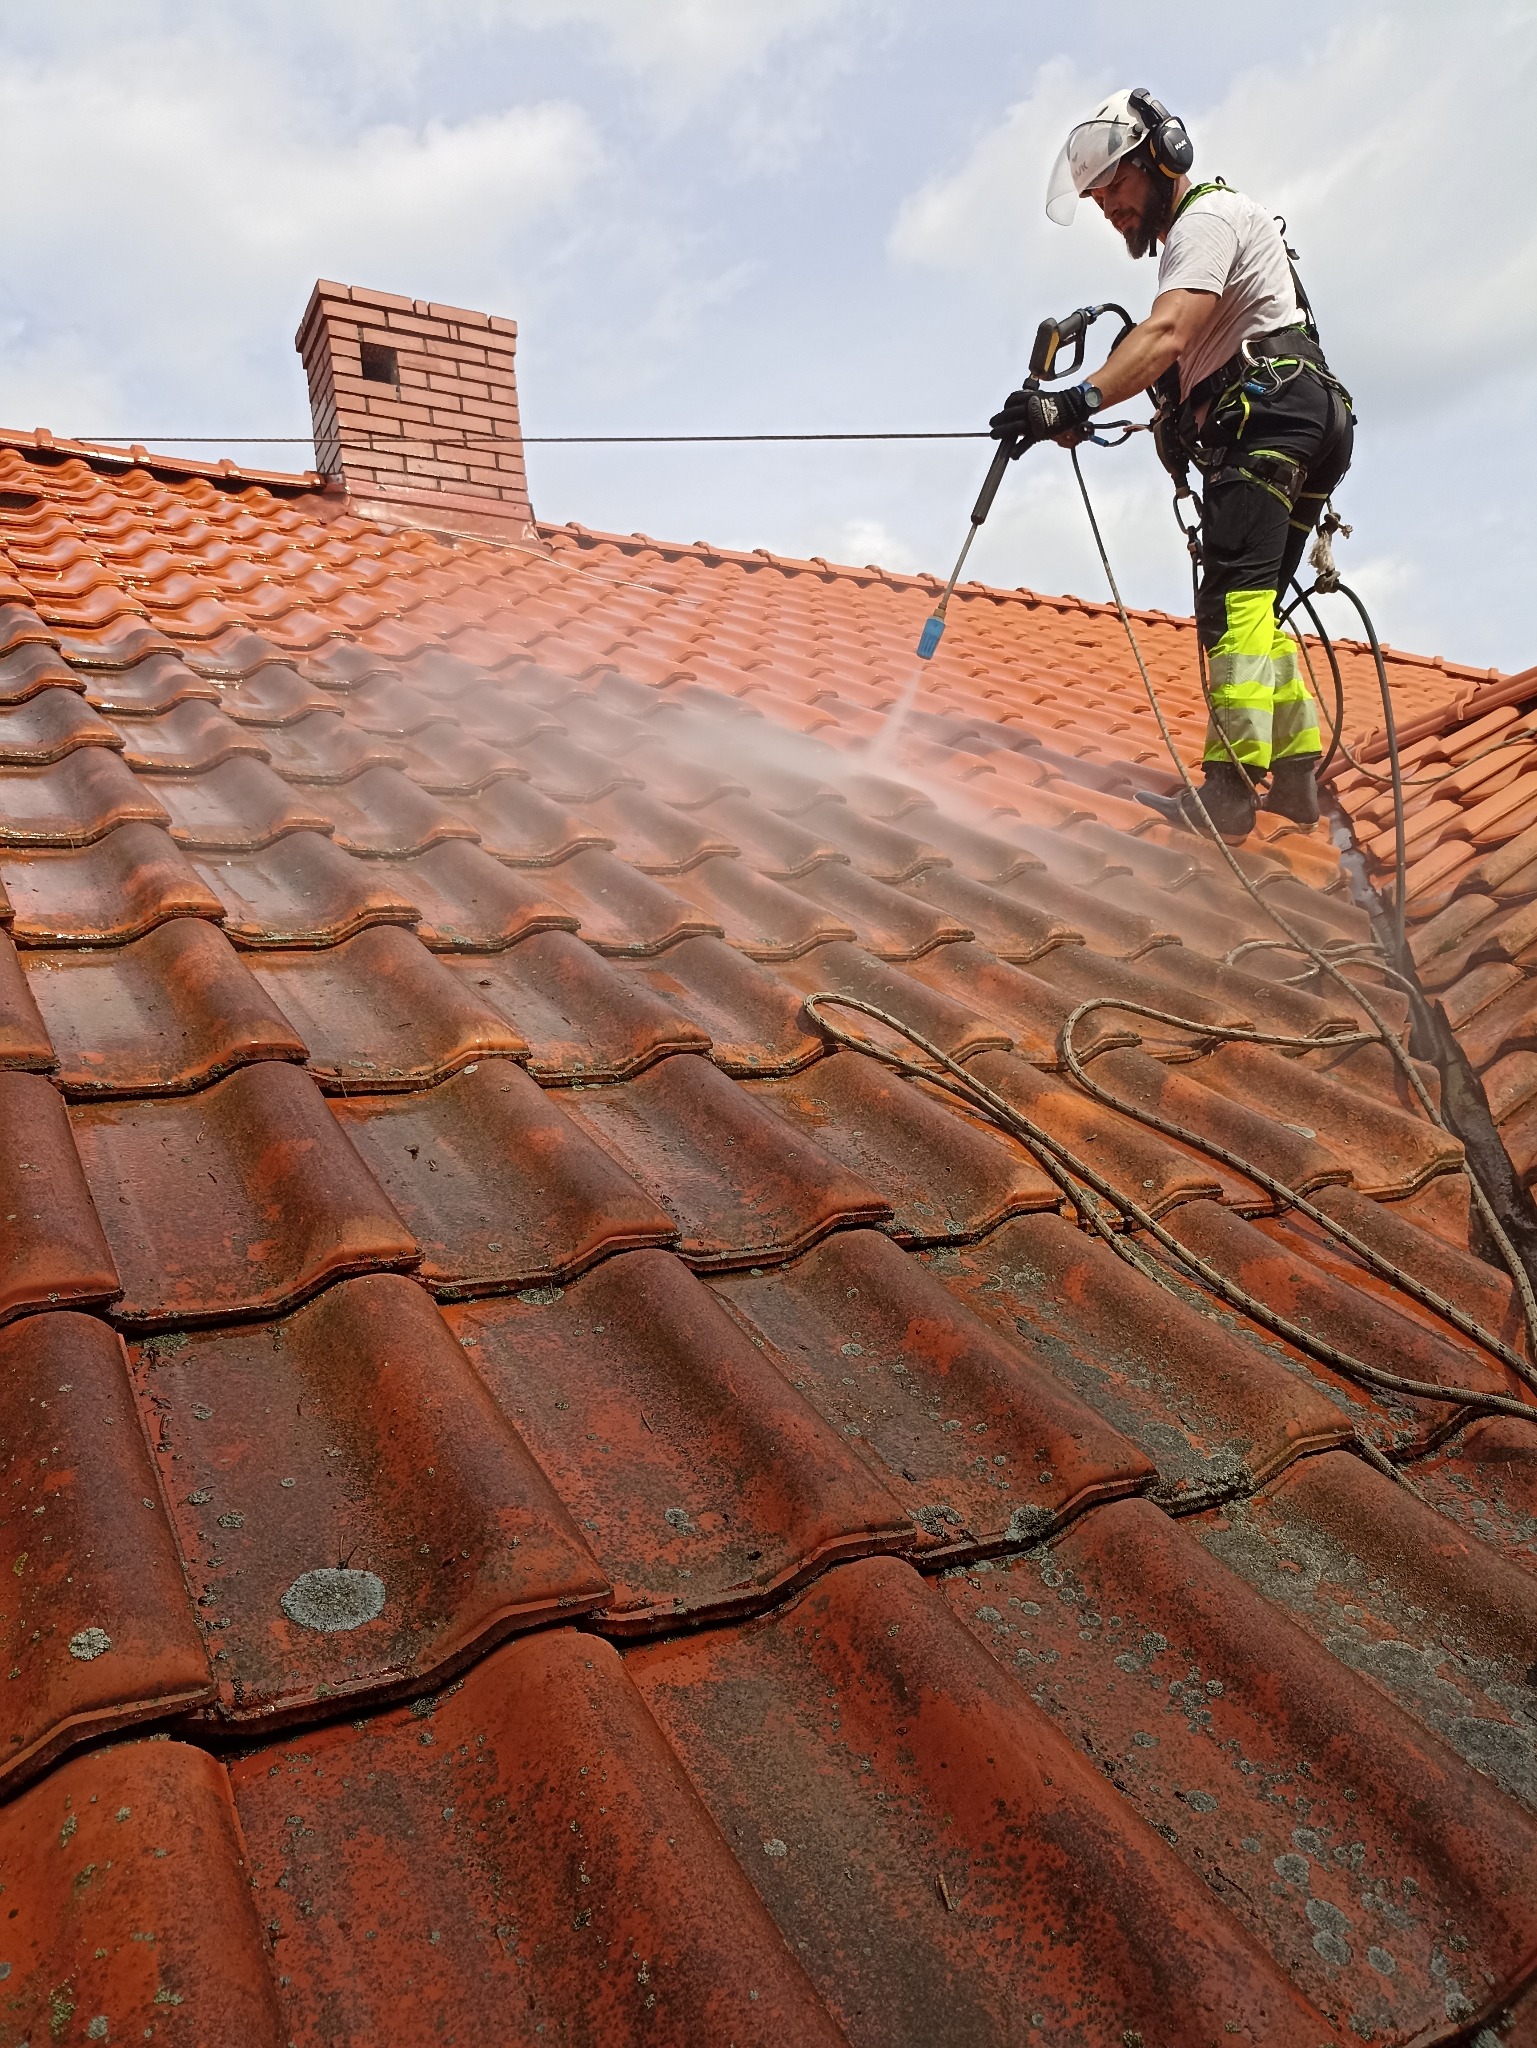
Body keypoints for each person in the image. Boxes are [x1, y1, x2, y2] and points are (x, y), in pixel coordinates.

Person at [990, 88, 1355, 840]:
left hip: (1273, 416)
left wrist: (1071, 401)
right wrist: (1129, 411)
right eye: (1095, 200)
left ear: (1163, 159)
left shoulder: (1205, 222)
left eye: (1115, 187)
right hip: (1306, 411)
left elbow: (1165, 335)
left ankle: (1227, 792)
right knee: (1257, 603)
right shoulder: (1211, 233)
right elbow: (1179, 362)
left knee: (1229, 607)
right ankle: (1293, 780)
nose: (1108, 209)